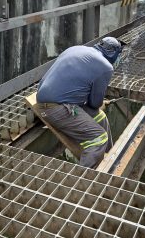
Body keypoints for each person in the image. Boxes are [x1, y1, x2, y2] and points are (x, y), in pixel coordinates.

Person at [35, 37, 124, 168]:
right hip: (56, 108)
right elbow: (94, 103)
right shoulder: (106, 67)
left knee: (100, 117)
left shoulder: (76, 48)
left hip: (45, 100)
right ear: (113, 53)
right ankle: (83, 181)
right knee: (99, 138)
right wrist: (99, 101)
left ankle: (108, 160)